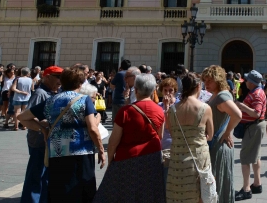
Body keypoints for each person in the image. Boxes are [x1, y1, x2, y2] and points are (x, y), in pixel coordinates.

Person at [18, 66, 105, 203]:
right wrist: (100, 149)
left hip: (57, 151)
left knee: (59, 191)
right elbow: (93, 128)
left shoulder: (51, 100)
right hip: (80, 151)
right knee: (83, 191)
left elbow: (22, 117)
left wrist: (43, 129)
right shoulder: (84, 99)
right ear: (80, 83)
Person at [95, 73, 165, 203]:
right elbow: (160, 136)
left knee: (123, 194)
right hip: (152, 157)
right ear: (152, 90)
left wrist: (110, 161)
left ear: (136, 90)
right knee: (149, 192)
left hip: (127, 158)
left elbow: (113, 142)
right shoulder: (159, 110)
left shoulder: (126, 111)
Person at [167, 72, 214, 203]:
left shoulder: (172, 109)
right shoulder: (205, 108)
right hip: (198, 157)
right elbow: (210, 135)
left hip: (177, 158)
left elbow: (172, 133)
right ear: (199, 86)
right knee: (200, 194)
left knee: (178, 195)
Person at [20, 65, 62, 203]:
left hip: (48, 140)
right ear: (46, 77)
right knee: (36, 175)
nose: (60, 80)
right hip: (38, 140)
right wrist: (44, 125)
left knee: (44, 175)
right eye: (57, 77)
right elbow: (27, 117)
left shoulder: (53, 92)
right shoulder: (40, 93)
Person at [202, 65, 243, 203]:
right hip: (217, 144)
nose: (206, 83)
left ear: (218, 80)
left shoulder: (221, 96)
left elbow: (237, 114)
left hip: (218, 145)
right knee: (218, 181)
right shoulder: (217, 95)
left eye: (209, 80)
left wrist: (227, 132)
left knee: (218, 182)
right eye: (205, 80)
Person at [234, 70, 267, 201]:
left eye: (247, 80)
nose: (245, 81)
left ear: (252, 82)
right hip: (254, 127)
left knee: (246, 157)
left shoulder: (257, 94)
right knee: (255, 156)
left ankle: (246, 189)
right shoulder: (256, 92)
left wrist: (241, 106)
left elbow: (256, 113)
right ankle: (257, 184)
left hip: (253, 127)